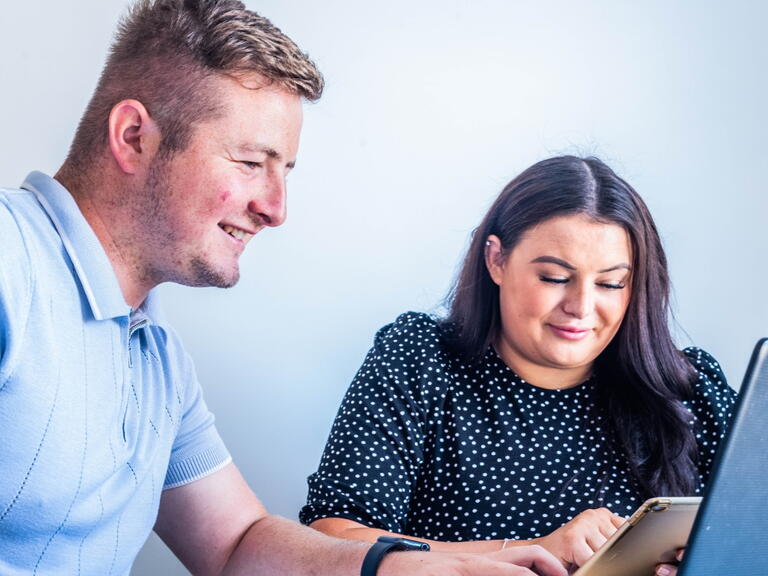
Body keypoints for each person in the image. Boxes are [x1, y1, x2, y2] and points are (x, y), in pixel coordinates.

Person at [0, 1, 568, 575]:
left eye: (285, 171)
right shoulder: (10, 262)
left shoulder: (156, 358)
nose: (275, 210)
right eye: (250, 162)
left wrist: (424, 568)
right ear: (133, 136)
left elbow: (236, 545)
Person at [300, 155, 736, 575]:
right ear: (497, 260)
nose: (581, 306)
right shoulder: (421, 360)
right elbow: (332, 538)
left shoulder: (689, 389)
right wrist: (530, 552)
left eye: (610, 283)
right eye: (554, 278)